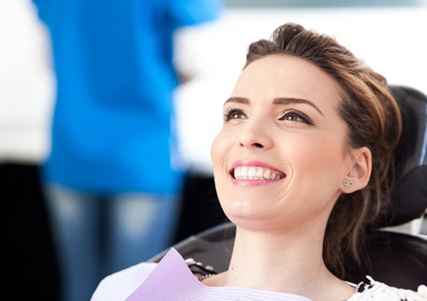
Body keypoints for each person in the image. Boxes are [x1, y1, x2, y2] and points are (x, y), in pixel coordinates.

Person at [90, 23, 427, 301]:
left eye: (293, 116)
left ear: (355, 168)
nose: (249, 134)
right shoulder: (127, 289)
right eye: (236, 113)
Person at [31, 1, 222, 301]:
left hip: (72, 147)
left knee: (80, 287)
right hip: (143, 155)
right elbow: (194, 63)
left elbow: (47, 59)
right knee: (135, 292)